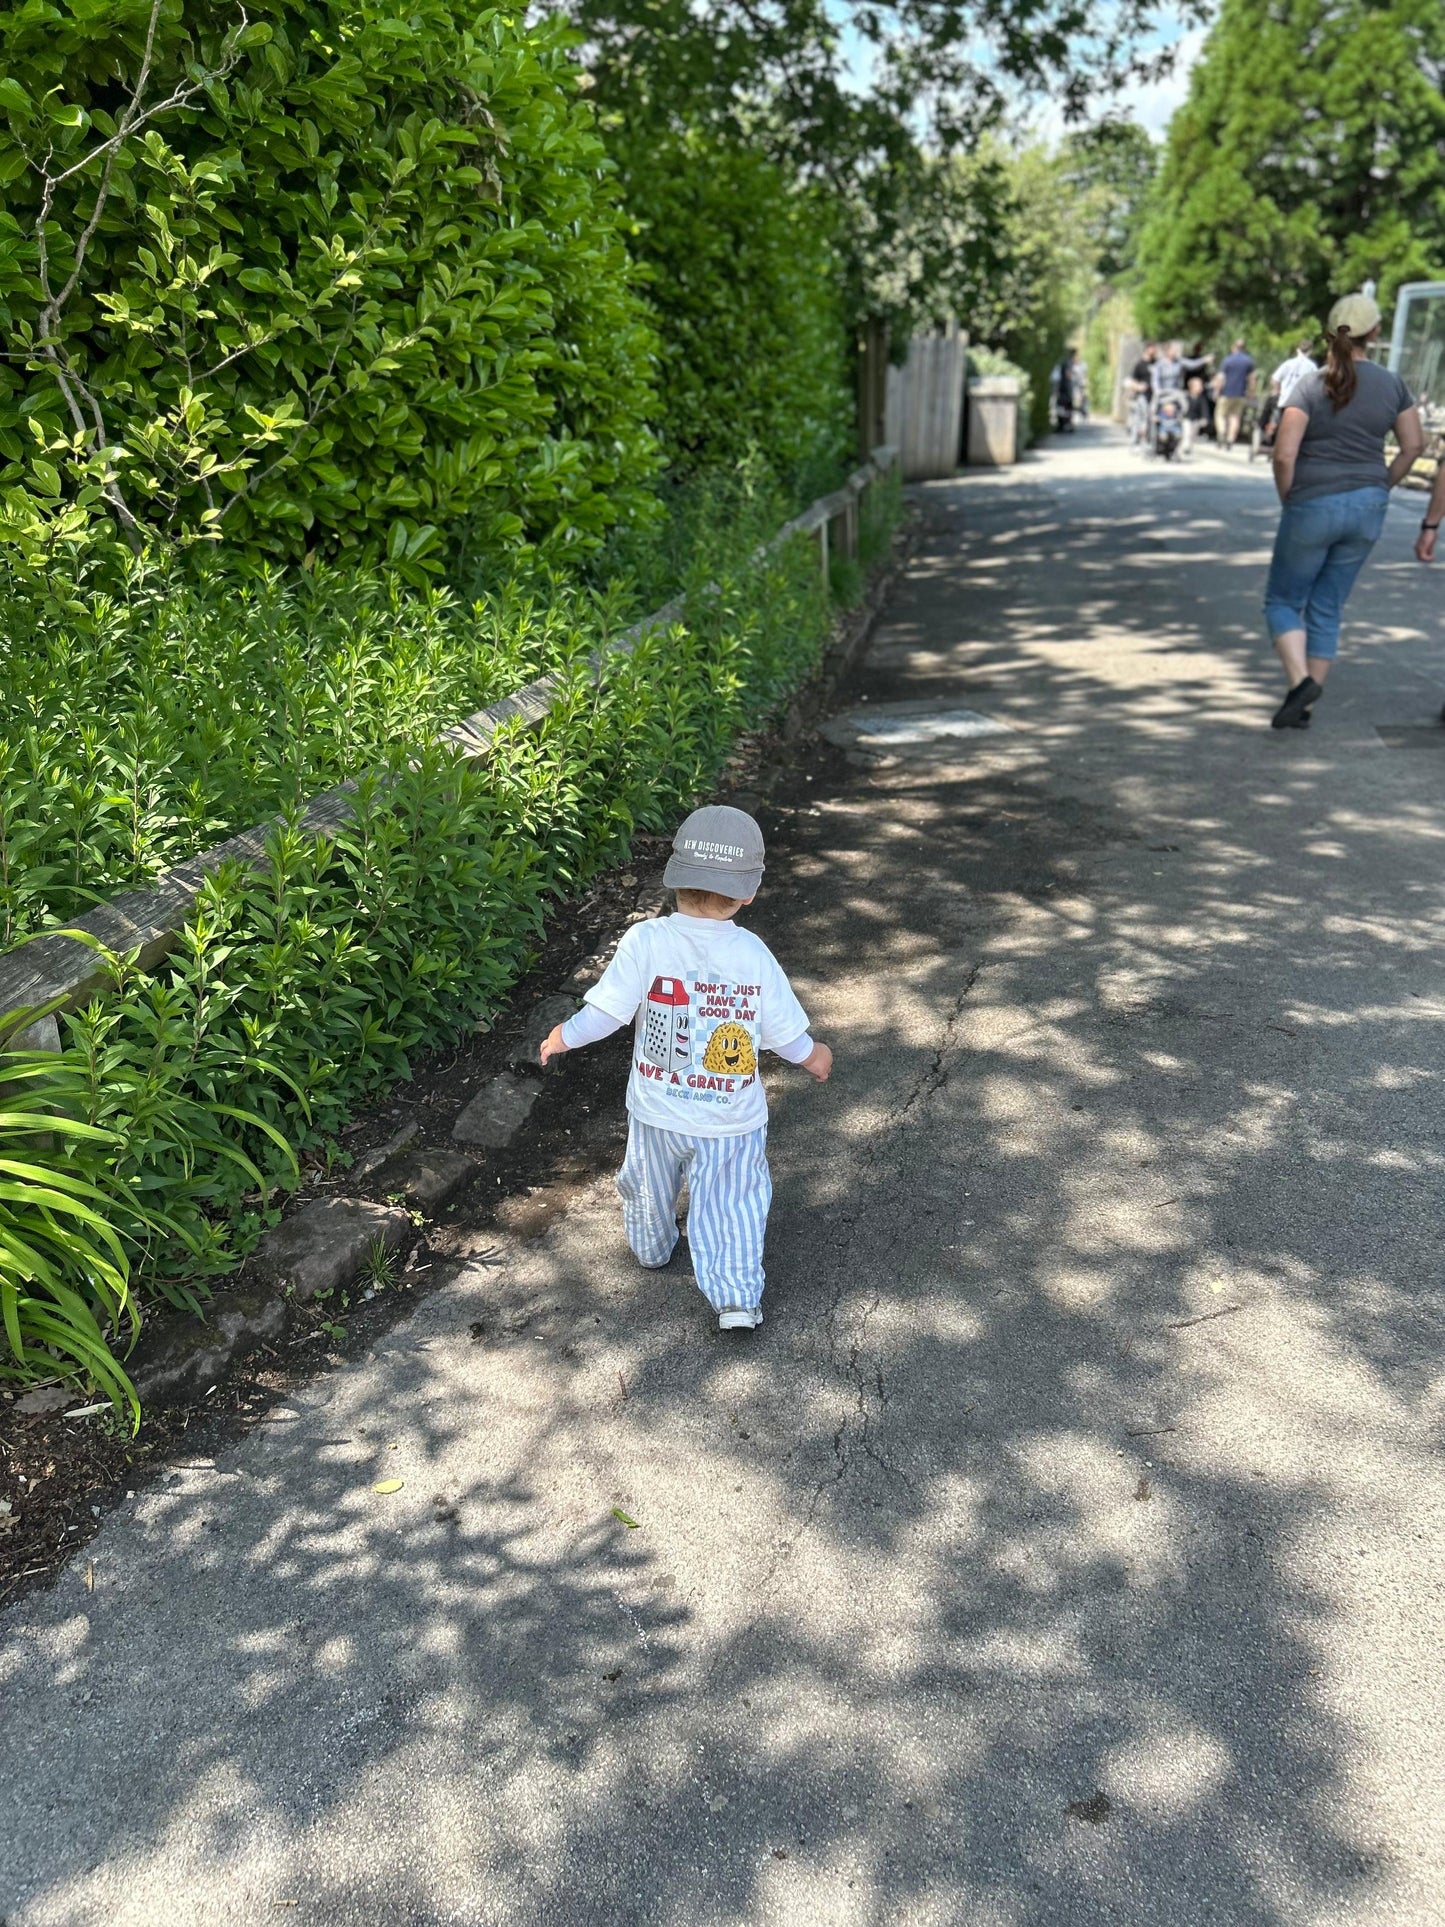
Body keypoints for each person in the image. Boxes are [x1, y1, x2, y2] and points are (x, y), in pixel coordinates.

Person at [539, 805, 832, 1332]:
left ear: (674, 879)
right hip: (729, 1121)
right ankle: (736, 1299)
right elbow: (784, 1034)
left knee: (647, 1183)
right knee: (732, 1203)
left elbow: (606, 1013)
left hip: (656, 1110)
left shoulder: (646, 940)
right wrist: (815, 1056)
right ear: (749, 893)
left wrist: (563, 1035)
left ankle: (652, 1247)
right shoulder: (753, 953)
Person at [1264, 293, 1424, 730]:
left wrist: (1289, 497)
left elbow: (1283, 454)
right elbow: (1414, 446)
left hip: (1312, 501)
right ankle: (1305, 708)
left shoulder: (1311, 384)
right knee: (1327, 606)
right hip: (1368, 505)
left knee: (1282, 600)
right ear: (1374, 334)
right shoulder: (1393, 385)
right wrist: (1381, 485)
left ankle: (1300, 685)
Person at [1213, 337, 1256, 447]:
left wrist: (1217, 391)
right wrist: (1251, 393)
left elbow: (1221, 377)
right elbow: (1252, 379)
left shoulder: (1227, 360)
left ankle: (1222, 432)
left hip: (1226, 393)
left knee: (1220, 415)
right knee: (1235, 416)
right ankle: (1230, 439)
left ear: (1233, 347)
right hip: (1240, 394)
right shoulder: (1248, 361)